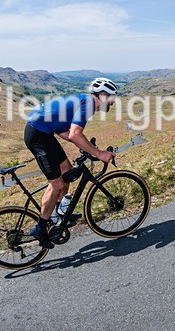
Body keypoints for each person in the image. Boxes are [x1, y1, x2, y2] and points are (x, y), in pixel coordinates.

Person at [24, 77, 118, 248]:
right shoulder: (88, 105)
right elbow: (75, 134)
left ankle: (59, 212)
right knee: (57, 185)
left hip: (45, 132)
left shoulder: (85, 101)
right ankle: (41, 227)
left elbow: (64, 132)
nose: (112, 103)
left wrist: (88, 148)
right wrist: (99, 154)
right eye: (111, 99)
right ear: (103, 95)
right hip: (38, 135)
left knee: (67, 171)